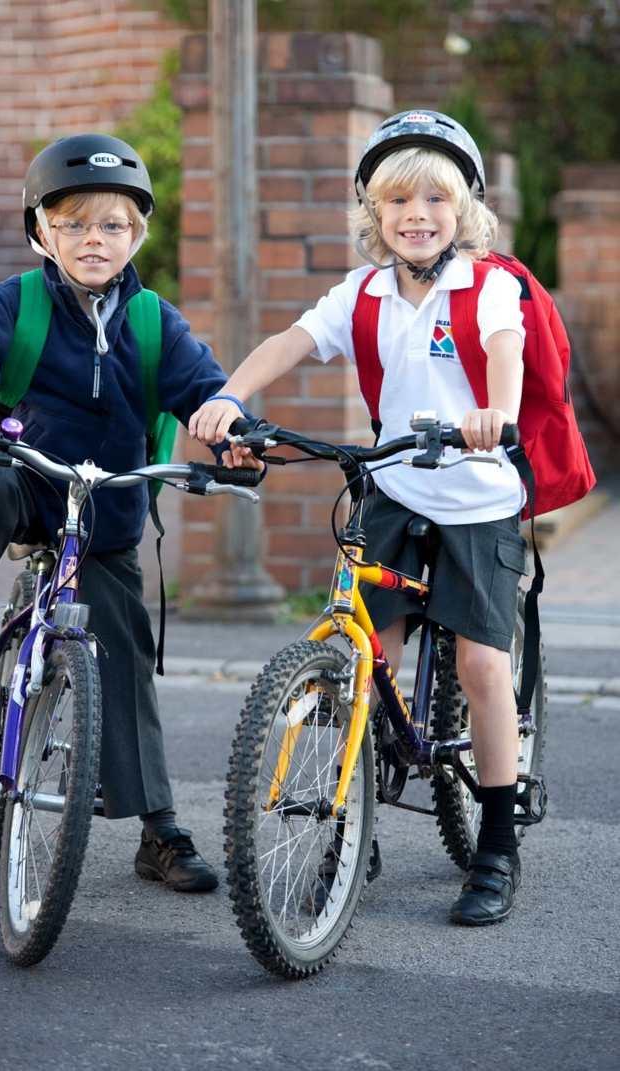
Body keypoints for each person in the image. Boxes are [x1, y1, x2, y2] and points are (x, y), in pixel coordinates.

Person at [189, 110, 531, 925]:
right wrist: (231, 395)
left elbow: (507, 348)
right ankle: (351, 829)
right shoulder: (366, 292)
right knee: (362, 658)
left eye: (435, 200)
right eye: (397, 201)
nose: (416, 215)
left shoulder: (487, 286)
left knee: (484, 668)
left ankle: (495, 844)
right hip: (395, 490)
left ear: (466, 209)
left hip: (479, 498)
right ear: (374, 214)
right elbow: (293, 340)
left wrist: (497, 412)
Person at [0, 133, 253, 894]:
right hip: (33, 482)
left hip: (107, 512)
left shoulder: (154, 321)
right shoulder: (19, 303)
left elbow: (206, 388)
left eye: (111, 226)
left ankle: (158, 828)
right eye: (73, 224)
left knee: (126, 658)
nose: (93, 239)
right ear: (41, 230)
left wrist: (232, 431)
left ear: (137, 235)